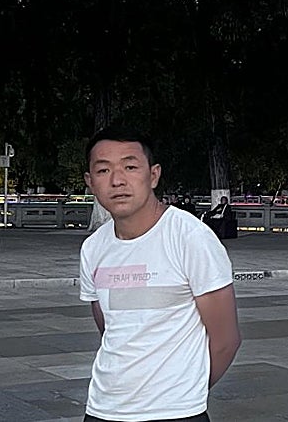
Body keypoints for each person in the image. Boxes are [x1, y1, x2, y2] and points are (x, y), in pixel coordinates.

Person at [79, 125, 241, 422]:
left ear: (153, 175)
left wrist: (183, 393)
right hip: (103, 409)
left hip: (177, 413)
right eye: (103, 170)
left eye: (130, 167)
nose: (117, 180)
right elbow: (110, 329)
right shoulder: (93, 248)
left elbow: (226, 340)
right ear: (90, 182)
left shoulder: (189, 237)